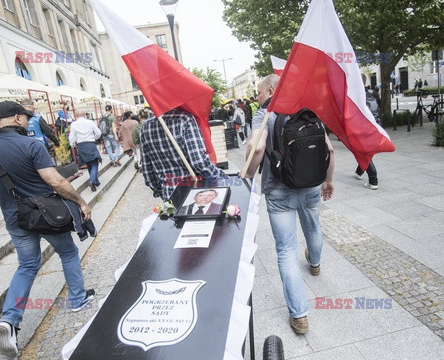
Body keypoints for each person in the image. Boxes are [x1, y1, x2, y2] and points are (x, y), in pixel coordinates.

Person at [0, 101, 95, 358]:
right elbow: (54, 181)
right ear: (17, 118)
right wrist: (81, 202)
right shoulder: (31, 144)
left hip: (14, 218)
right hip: (46, 215)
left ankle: (9, 320)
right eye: (26, 118)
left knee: (27, 265)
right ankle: (77, 299)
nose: (29, 121)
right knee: (68, 253)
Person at [241, 74, 335, 335]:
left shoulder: (265, 114)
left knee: (285, 250)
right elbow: (330, 149)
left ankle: (300, 315)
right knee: (313, 229)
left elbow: (257, 149)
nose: (258, 98)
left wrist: (247, 177)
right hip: (311, 186)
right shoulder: (307, 111)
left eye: (259, 93)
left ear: (271, 89)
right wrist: (328, 180)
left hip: (278, 191)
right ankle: (315, 263)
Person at [140, 108, 226, 200]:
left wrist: (162, 192)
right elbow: (200, 163)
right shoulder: (185, 119)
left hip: (169, 194)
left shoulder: (145, 127)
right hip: (195, 192)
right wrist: (223, 178)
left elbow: (147, 171)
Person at [69, 109, 102, 192]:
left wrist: (72, 145)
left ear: (76, 116)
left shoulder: (73, 124)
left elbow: (71, 137)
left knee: (89, 164)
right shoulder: (90, 122)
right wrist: (93, 138)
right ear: (85, 115)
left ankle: (95, 181)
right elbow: (98, 133)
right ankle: (92, 181)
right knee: (94, 163)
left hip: (81, 146)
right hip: (90, 144)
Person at [356, 74, 379, 190]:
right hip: (374, 127)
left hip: (364, 129)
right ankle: (359, 171)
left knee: (364, 153)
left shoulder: (358, 96)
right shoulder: (371, 94)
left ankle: (373, 180)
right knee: (365, 151)